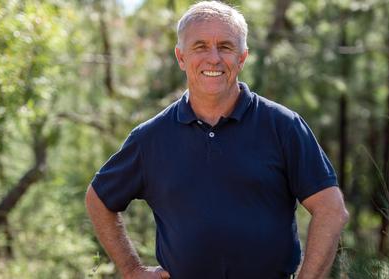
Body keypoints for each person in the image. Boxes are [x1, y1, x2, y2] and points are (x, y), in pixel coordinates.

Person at [85, 2, 348, 279]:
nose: (214, 58)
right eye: (200, 46)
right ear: (181, 57)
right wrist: (132, 269)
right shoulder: (151, 138)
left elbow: (330, 209)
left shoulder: (282, 125)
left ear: (242, 58)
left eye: (225, 47)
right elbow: (99, 198)